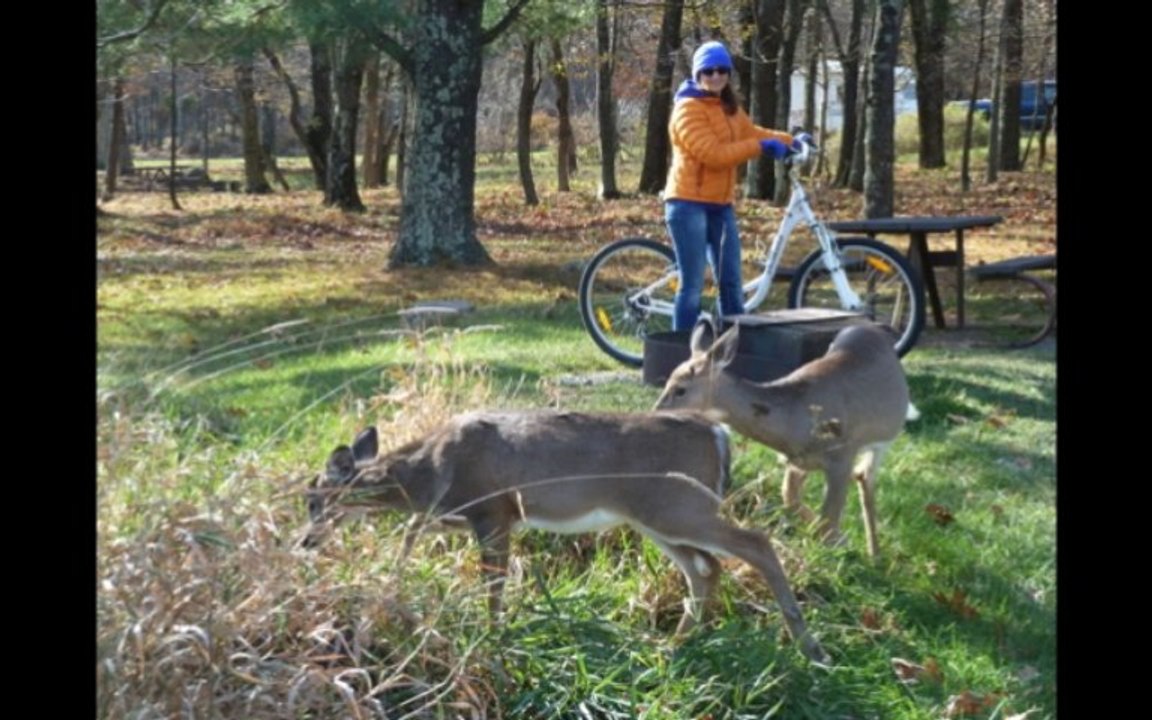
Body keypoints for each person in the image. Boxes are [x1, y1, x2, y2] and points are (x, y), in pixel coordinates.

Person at [663, 40, 810, 331]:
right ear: (698, 75)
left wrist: (791, 141)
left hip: (720, 205)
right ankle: (682, 358)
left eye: (722, 70)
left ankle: (736, 352)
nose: (716, 76)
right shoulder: (687, 110)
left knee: (731, 282)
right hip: (687, 204)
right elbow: (714, 155)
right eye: (708, 71)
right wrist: (760, 147)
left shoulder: (728, 107)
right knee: (692, 286)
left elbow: (753, 131)